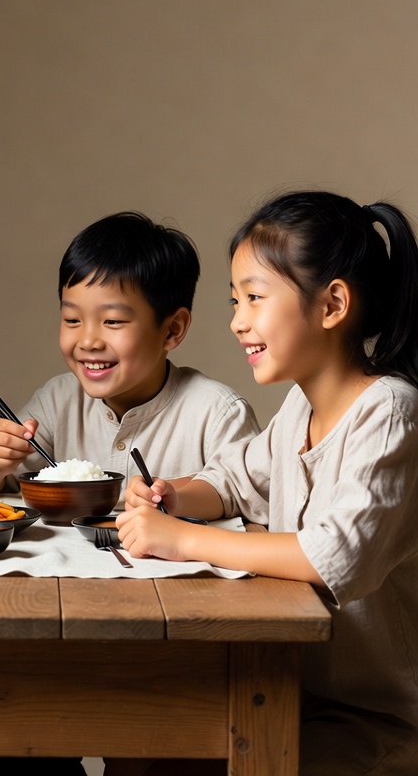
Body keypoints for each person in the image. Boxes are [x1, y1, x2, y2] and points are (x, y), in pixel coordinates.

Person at [118, 190, 418, 775]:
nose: (237, 321)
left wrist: (181, 539)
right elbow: (234, 476)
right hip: (291, 693)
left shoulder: (390, 411)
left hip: (378, 721)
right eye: (235, 300)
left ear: (332, 305)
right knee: (150, 750)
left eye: (254, 297)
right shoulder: (297, 411)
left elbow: (336, 554)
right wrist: (175, 495)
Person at [0, 212, 260, 776]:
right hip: (59, 633)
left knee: (148, 750)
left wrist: (176, 496)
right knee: (13, 718)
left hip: (174, 647)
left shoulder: (216, 411)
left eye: (113, 322)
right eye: (71, 319)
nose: (87, 340)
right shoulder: (56, 400)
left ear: (172, 330)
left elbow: (240, 495)